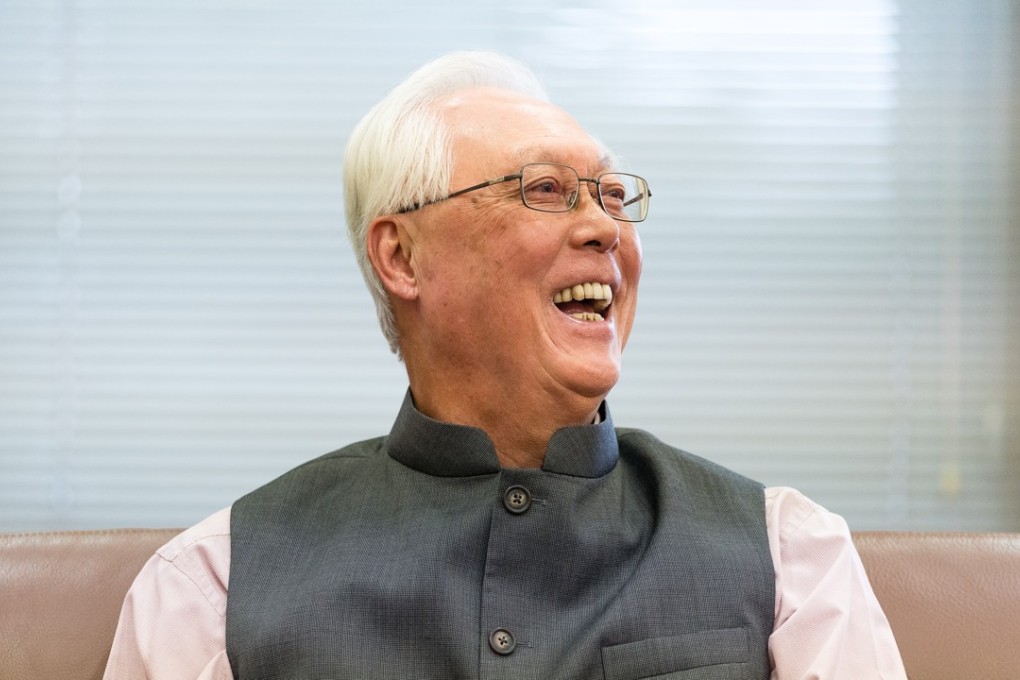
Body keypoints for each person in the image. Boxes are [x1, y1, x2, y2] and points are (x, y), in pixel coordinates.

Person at [104, 51, 907, 680]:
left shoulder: (793, 562)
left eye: (613, 196)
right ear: (401, 257)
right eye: (546, 189)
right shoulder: (208, 588)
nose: (605, 229)